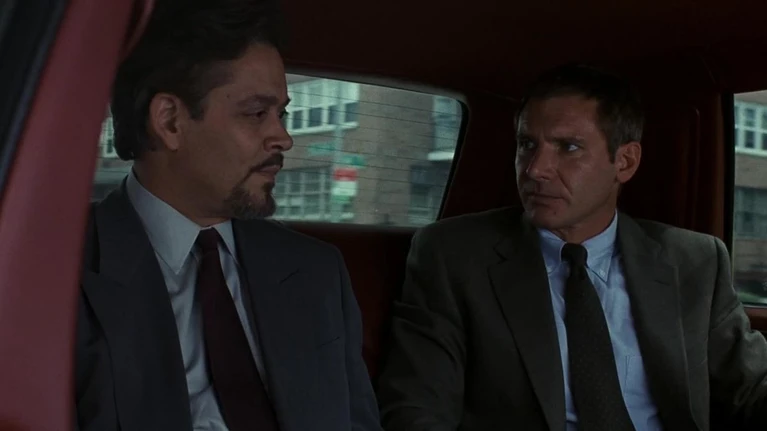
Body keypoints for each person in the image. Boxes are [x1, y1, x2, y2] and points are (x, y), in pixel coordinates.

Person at [376, 64, 767, 430]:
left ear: (625, 162)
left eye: (568, 147)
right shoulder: (454, 256)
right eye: (527, 144)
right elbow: (417, 409)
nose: (535, 169)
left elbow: (751, 389)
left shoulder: (694, 260)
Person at [74, 1, 381, 430]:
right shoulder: (58, 275)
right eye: (257, 113)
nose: (284, 138)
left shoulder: (316, 271)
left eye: (282, 114)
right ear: (170, 121)